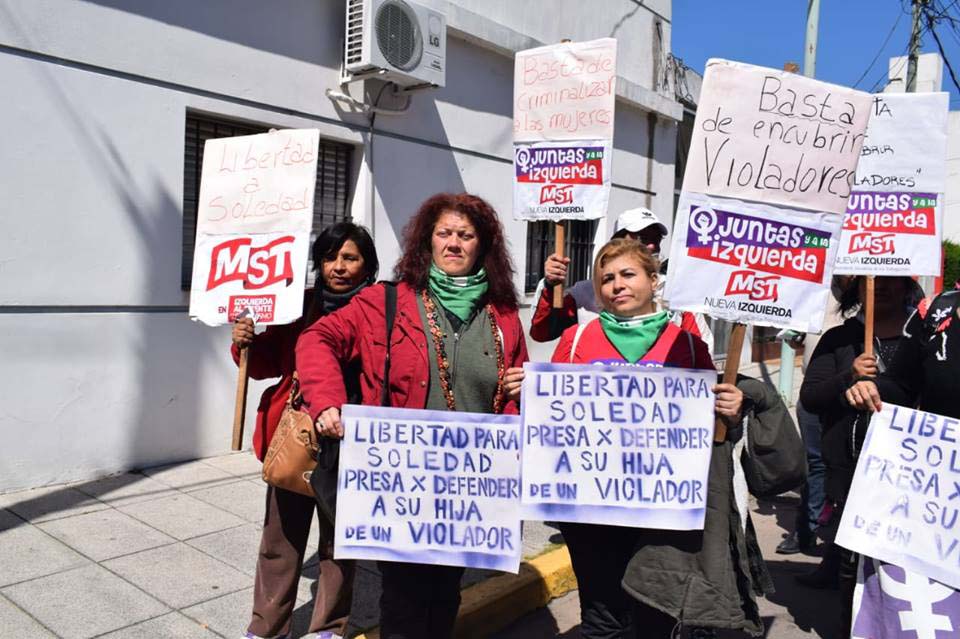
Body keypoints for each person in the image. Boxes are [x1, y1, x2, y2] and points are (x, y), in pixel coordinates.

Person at [295, 193, 529, 639]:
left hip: (470, 488)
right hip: (405, 481)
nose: (454, 243)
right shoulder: (386, 302)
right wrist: (327, 401)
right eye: (445, 233)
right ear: (428, 241)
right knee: (403, 598)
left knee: (445, 594)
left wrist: (524, 391)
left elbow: (513, 394)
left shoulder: (503, 315)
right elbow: (316, 341)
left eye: (466, 234)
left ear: (483, 245)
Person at [551, 238, 766, 638]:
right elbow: (555, 418)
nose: (616, 285)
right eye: (607, 278)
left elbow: (712, 426)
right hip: (592, 508)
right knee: (602, 620)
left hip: (662, 512)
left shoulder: (686, 344)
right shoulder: (575, 341)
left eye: (627, 274)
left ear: (653, 281)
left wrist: (730, 408)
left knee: (655, 614)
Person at [234, 222, 379, 639]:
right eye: (330, 258)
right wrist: (246, 341)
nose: (338, 267)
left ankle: (327, 628)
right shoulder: (299, 306)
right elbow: (263, 366)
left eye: (349, 258)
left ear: (367, 264)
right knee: (279, 543)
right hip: (299, 441)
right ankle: (265, 628)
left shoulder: (382, 308)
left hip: (354, 441)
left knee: (339, 544)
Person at [799, 276, 920, 632]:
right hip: (852, 475)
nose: (881, 286)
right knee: (855, 569)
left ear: (907, 286)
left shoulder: (925, 337)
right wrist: (847, 378)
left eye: (891, 280)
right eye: (873, 280)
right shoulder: (838, 339)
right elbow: (811, 397)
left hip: (915, 477)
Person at [529, 206, 713, 350]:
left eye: (656, 240)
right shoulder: (583, 293)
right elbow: (542, 332)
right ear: (616, 242)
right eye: (641, 237)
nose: (650, 246)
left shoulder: (677, 294)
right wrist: (550, 285)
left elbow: (702, 354)